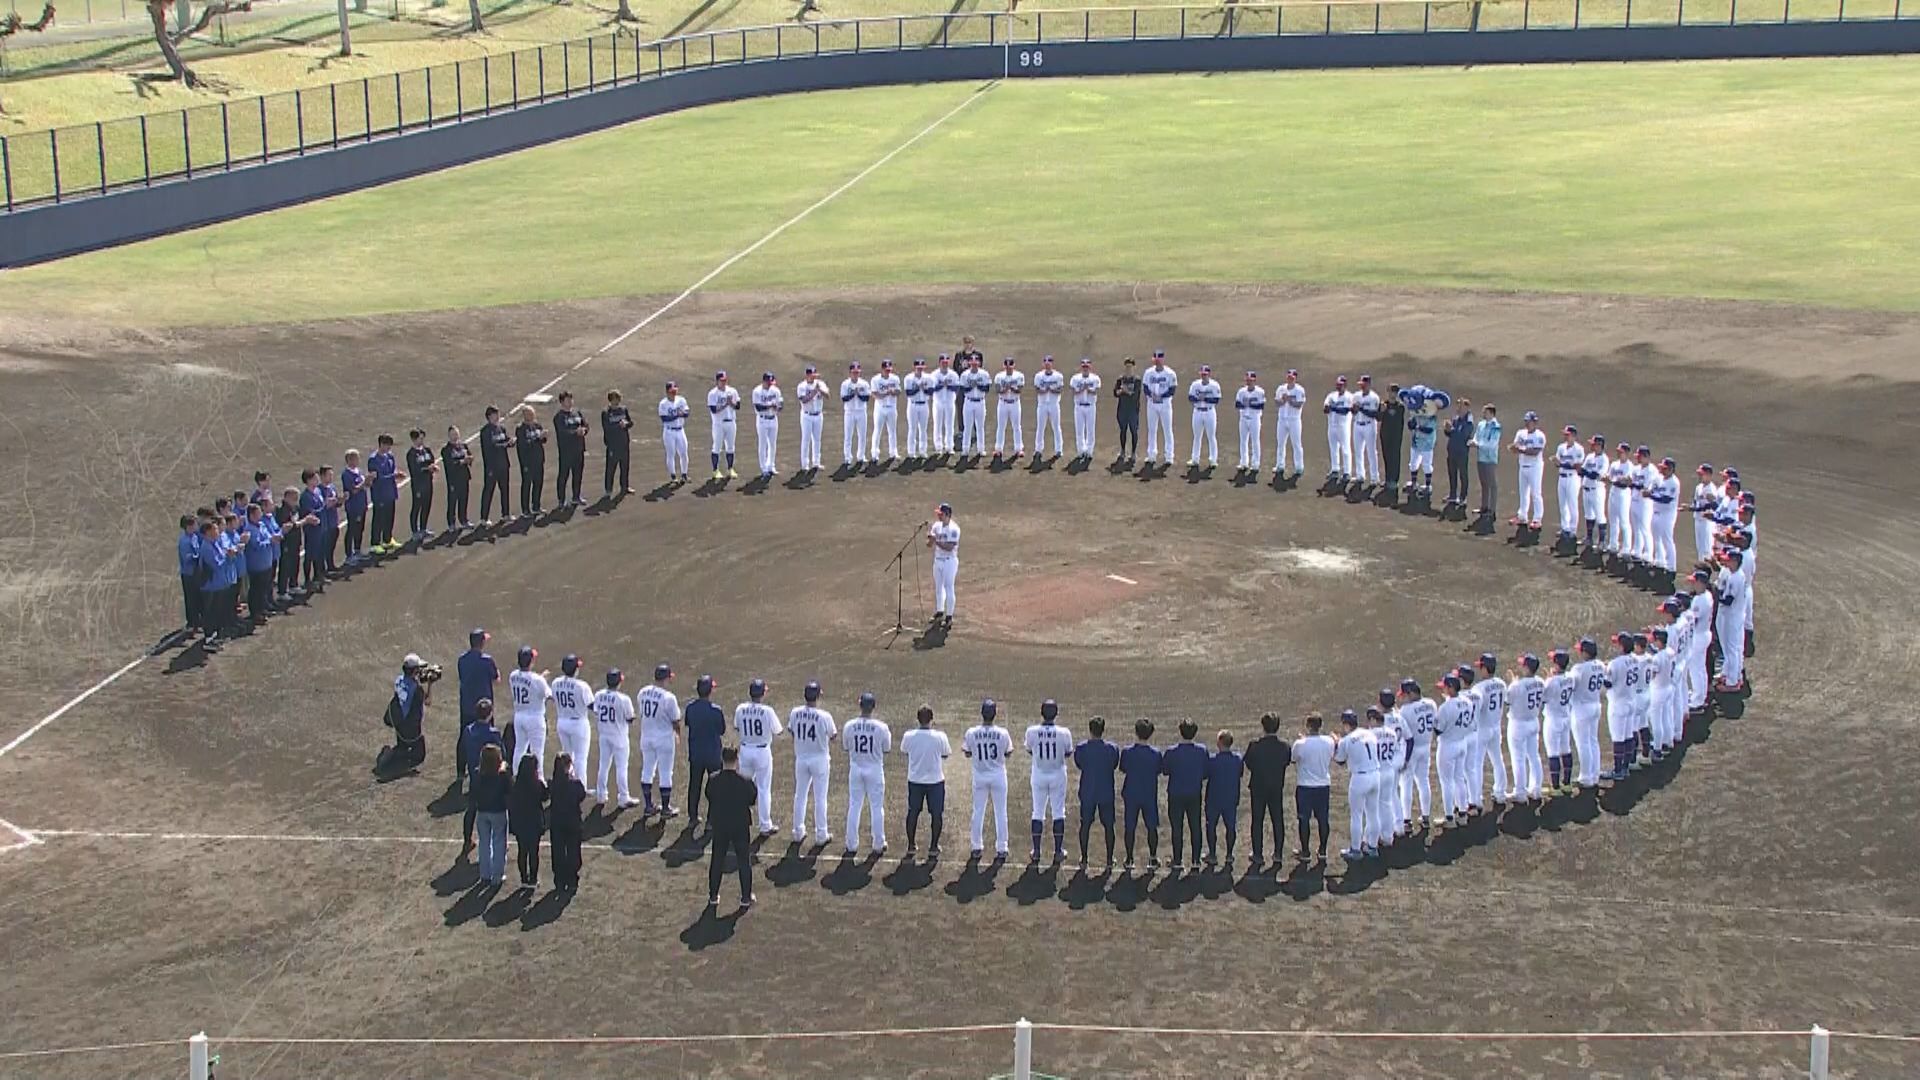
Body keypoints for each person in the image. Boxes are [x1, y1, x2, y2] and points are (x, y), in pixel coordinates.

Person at [704, 746, 758, 911]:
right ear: (737, 760)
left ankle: (713, 895)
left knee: (717, 859)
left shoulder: (713, 780)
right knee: (743, 861)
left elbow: (709, 796)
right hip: (740, 825)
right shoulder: (745, 781)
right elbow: (752, 799)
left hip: (720, 824)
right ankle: (745, 897)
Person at [962, 699, 1013, 859]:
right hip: (998, 776)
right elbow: (1008, 752)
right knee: (1001, 812)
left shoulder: (971, 732)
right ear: (995, 714)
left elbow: (967, 752)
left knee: (978, 811)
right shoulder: (1003, 733)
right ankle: (1002, 847)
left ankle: (976, 846)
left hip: (980, 776)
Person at [842, 691, 891, 855]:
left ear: (859, 704)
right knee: (877, 807)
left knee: (854, 806)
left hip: (856, 768)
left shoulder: (849, 725)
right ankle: (878, 843)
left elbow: (846, 746)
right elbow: (887, 748)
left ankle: (851, 844)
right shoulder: (882, 727)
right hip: (875, 769)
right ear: (873, 707)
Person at [1023, 699, 1073, 863]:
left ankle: (1037, 851)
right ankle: (1058, 850)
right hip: (1058, 775)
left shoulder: (1031, 731)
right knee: (1059, 812)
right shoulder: (1064, 732)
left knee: (1037, 812)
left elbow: (1030, 749)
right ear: (1056, 714)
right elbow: (1068, 753)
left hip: (1039, 775)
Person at [788, 680, 837, 846]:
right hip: (819, 759)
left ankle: (797, 830)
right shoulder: (825, 716)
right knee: (820, 798)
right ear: (817, 696)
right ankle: (821, 834)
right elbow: (833, 735)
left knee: (800, 795)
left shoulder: (795, 712)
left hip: (801, 758)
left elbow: (792, 732)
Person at [734, 678, 783, 837]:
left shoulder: (740, 708)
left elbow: (736, 726)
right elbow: (778, 731)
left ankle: (739, 822)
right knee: (763, 789)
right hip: (762, 752)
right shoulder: (767, 711)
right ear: (762, 693)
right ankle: (764, 825)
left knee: (742, 788)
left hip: (745, 750)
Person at [1242, 714, 1290, 868]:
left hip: (1258, 787)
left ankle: (1258, 854)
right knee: (1277, 820)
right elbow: (1286, 761)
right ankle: (1278, 854)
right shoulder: (1284, 746)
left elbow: (1248, 763)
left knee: (1257, 820)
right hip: (1276, 787)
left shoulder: (1254, 746)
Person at [901, 704, 950, 857]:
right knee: (936, 814)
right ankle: (934, 846)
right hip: (935, 781)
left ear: (918, 719)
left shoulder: (909, 735)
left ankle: (911, 845)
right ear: (931, 719)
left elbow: (904, 750)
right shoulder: (940, 736)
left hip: (915, 780)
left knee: (913, 812)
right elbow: (946, 754)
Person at [1071, 716, 1120, 869]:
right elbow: (1114, 765)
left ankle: (1084, 858)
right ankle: (1109, 859)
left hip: (1088, 791)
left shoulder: (1081, 748)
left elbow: (1079, 764)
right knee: (1108, 826)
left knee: (1085, 824)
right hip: (1106, 792)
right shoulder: (1112, 748)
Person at [1333, 709, 1380, 861]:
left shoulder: (1346, 740)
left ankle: (1355, 849)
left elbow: (1339, 760)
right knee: (1373, 813)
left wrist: (1337, 743)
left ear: (1346, 724)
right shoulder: (1369, 733)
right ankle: (1372, 846)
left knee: (1357, 815)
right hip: (1375, 774)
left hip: (1359, 778)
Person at [1160, 721, 1207, 872]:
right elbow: (1206, 772)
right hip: (1194, 793)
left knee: (1177, 827)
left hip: (1176, 793)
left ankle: (1178, 859)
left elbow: (1165, 770)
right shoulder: (1202, 751)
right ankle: (1196, 859)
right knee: (1195, 826)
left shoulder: (1172, 751)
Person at [637, 663, 683, 818]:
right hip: (663, 739)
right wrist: (678, 735)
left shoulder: (642, 692)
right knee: (665, 773)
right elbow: (676, 720)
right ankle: (665, 809)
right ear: (665, 678)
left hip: (646, 737)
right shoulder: (668, 698)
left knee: (647, 770)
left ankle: (648, 806)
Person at [460, 701, 505, 852]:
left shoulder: (468, 731)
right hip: (492, 779)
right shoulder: (493, 733)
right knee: (493, 811)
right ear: (490, 714)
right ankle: (497, 844)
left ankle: (467, 840)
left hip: (475, 777)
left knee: (471, 809)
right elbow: (501, 754)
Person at [1118, 719, 1162, 870]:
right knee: (1151, 827)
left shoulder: (1127, 752)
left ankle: (1129, 858)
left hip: (1131, 792)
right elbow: (1158, 770)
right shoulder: (1155, 754)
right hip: (1149, 793)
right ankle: (1153, 857)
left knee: (1130, 826)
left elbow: (1123, 768)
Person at [684, 675, 726, 831]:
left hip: (696, 753)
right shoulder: (716, 710)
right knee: (715, 787)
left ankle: (692, 818)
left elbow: (688, 723)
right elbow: (721, 730)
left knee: (694, 785)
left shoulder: (690, 708)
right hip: (713, 754)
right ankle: (711, 820)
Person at [1292, 714, 1335, 861]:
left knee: (1304, 819)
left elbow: (1294, 759)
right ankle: (1322, 849)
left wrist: (1302, 740)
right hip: (1323, 786)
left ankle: (1305, 851)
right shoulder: (1329, 742)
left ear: (1308, 726)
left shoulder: (1300, 744)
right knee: (1323, 819)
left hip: (1305, 787)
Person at [592, 669, 638, 809]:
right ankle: (623, 797)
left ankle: (601, 795)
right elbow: (630, 719)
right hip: (619, 738)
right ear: (619, 681)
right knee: (621, 768)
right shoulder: (623, 699)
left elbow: (596, 711)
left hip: (604, 735)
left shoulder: (599, 695)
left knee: (603, 765)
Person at [1394, 681, 1437, 830]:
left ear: (1411, 693)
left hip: (1410, 750)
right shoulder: (1431, 703)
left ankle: (1406, 820)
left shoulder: (1405, 710)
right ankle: (1425, 816)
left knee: (1406, 784)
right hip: (1426, 747)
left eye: (1404, 695)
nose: (1403, 698)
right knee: (1423, 781)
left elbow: (1400, 728)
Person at [456, 627, 498, 778]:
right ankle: (489, 768)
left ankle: (461, 770)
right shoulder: (487, 660)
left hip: (466, 706)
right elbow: (496, 678)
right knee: (488, 738)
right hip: (484, 706)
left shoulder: (462, 659)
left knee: (464, 736)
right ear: (481, 643)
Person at [470, 743, 513, 887]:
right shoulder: (502, 776)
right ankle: (497, 876)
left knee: (484, 843)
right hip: (498, 812)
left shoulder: (477, 773)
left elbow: (473, 792)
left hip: (482, 812)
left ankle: (485, 874)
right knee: (499, 843)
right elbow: (509, 791)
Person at [380, 653, 432, 772]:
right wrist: (430, 684)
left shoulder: (399, 680)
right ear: (414, 671)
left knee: (403, 745)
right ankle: (394, 754)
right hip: (412, 730)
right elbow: (428, 701)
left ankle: (400, 749)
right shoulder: (417, 689)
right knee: (419, 756)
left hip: (399, 725)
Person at [194, 520, 241, 651]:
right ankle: (208, 639)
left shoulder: (215, 544)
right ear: (208, 532)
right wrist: (228, 556)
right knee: (210, 613)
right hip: (210, 586)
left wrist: (229, 554)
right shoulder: (207, 548)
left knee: (217, 612)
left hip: (218, 584)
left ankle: (215, 636)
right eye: (215, 529)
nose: (218, 531)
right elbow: (217, 565)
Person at [1506, 655, 1547, 803]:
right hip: (1534, 722)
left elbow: (1507, 701)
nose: (1521, 667)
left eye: (1523, 665)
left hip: (1518, 725)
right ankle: (1536, 789)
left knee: (1518, 759)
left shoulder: (1517, 686)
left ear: (1527, 668)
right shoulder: (1541, 682)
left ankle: (1520, 793)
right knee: (1534, 756)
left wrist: (1512, 683)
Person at [1471, 653, 1510, 809]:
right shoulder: (1501, 683)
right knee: (1497, 759)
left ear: (1486, 669)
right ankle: (1500, 793)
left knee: (1477, 764)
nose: (1480, 670)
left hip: (1482, 730)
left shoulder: (1478, 688)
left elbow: (1476, 710)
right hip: (1496, 727)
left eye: (1481, 667)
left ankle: (1477, 798)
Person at [507, 645, 552, 775]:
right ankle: (539, 780)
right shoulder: (538, 680)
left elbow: (528, 680)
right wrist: (543, 679)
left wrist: (540, 678)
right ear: (531, 661)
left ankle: (516, 776)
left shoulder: (513, 675)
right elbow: (548, 694)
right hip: (535, 719)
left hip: (519, 717)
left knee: (519, 749)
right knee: (537, 752)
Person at [1204, 730, 1243, 870]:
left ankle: (1213, 854)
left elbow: (1205, 774)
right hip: (1231, 798)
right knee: (1230, 827)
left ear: (1220, 742)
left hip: (1214, 798)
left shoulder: (1213, 760)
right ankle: (1229, 854)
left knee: (1211, 826)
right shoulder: (1237, 759)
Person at [549, 752, 588, 893]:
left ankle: (559, 880)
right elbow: (581, 795)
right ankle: (572, 879)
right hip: (573, 823)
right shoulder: (575, 785)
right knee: (573, 851)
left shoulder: (552, 784)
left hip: (557, 823)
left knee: (558, 851)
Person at [509, 754, 549, 889]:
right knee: (533, 852)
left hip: (520, 823)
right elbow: (545, 797)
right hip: (534, 823)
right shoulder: (537, 784)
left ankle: (524, 879)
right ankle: (532, 879)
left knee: (522, 851)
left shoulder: (515, 784)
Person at [551, 653, 594, 778]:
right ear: (575, 669)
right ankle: (580, 787)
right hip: (578, 724)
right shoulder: (582, 686)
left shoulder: (555, 683)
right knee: (580, 758)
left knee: (567, 756)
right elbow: (592, 706)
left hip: (562, 722)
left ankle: (567, 782)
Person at [1541, 649, 1576, 796]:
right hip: (1565, 717)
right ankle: (1567, 783)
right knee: (1566, 750)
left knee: (1553, 753)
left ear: (1556, 664)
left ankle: (1555, 787)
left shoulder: (1551, 682)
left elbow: (1543, 699)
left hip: (1553, 720)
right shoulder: (1571, 678)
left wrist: (1548, 679)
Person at [241, 503, 279, 626]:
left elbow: (268, 537)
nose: (260, 515)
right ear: (251, 515)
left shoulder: (262, 525)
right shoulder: (249, 530)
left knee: (263, 588)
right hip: (256, 565)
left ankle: (262, 610)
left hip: (266, 563)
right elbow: (257, 545)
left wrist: (271, 539)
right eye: (258, 513)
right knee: (256, 590)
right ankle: (255, 613)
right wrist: (270, 541)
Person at [273, 488, 312, 603]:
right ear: (287, 497)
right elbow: (288, 525)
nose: (296, 500)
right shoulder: (282, 510)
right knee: (285, 566)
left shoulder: (295, 508)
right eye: (294, 498)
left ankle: (293, 585)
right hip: (287, 542)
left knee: (295, 562)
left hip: (295, 540)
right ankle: (282, 591)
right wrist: (304, 521)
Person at [477, 405, 514, 526]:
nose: (497, 416)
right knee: (489, 490)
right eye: (495, 414)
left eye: (498, 414)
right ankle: (483, 518)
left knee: (505, 489)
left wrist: (511, 442)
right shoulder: (485, 431)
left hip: (503, 464)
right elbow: (491, 447)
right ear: (489, 416)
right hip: (492, 467)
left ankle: (506, 514)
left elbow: (506, 440)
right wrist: (506, 444)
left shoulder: (501, 428)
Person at [552, 391, 589, 507]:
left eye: (571, 400)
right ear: (562, 402)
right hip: (566, 452)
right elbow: (562, 432)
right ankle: (561, 500)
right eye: (568, 400)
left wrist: (584, 430)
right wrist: (575, 433)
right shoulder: (559, 417)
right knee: (563, 476)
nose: (570, 402)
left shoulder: (577, 413)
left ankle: (576, 496)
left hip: (579, 450)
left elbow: (586, 425)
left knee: (578, 474)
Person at [1141, 351, 1178, 468]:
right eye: (1156, 359)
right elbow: (1145, 387)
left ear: (1163, 359)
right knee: (1152, 429)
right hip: (1151, 404)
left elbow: (1172, 390)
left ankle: (1169, 456)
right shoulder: (1148, 373)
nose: (1157, 361)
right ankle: (1151, 455)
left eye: (1159, 358)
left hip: (1165, 404)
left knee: (1167, 429)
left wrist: (1161, 396)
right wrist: (1152, 396)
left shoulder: (1170, 373)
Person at [927, 502, 960, 630]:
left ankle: (949, 617)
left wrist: (936, 540)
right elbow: (929, 545)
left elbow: (949, 547)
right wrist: (930, 538)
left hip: (949, 561)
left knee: (949, 587)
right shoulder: (936, 526)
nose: (939, 516)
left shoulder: (954, 529)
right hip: (938, 561)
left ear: (948, 515)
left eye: (941, 514)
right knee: (938, 587)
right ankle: (940, 612)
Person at [368, 434, 400, 553]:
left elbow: (392, 470)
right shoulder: (373, 460)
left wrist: (396, 474)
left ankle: (387, 539)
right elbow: (377, 479)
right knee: (379, 519)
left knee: (389, 517)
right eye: (387, 446)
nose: (388, 449)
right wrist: (393, 476)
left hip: (390, 493)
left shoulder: (390, 456)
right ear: (381, 444)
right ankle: (375, 543)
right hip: (380, 494)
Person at [1272, 369, 1307, 480]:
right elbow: (1277, 402)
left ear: (1295, 378)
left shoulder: (1299, 390)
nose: (1290, 378)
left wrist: (1289, 401)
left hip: (1294, 420)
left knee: (1296, 444)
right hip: (1282, 420)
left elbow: (1299, 404)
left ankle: (1299, 467)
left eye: (1292, 377)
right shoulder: (1281, 389)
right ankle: (1280, 465)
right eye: (1288, 377)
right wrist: (1283, 400)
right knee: (1280, 443)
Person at [514, 405, 548, 517]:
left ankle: (536, 506)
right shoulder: (520, 429)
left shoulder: (537, 426)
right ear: (524, 416)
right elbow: (524, 445)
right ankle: (525, 509)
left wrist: (543, 436)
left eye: (533, 413)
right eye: (529, 414)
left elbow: (543, 441)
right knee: (527, 485)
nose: (532, 415)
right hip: (527, 462)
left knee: (538, 483)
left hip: (539, 460)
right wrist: (538, 438)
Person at [405, 429, 439, 541]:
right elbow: (414, 470)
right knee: (417, 507)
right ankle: (415, 531)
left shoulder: (427, 450)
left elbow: (432, 461)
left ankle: (423, 528)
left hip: (428, 483)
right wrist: (427, 469)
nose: (422, 440)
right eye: (420, 438)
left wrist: (433, 467)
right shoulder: (411, 454)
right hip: (418, 485)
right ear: (414, 439)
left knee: (426, 506)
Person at [1186, 365, 1222, 469]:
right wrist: (1199, 399)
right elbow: (1190, 397)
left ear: (1209, 374)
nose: (1203, 376)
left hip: (1209, 412)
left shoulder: (1214, 385)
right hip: (1197, 412)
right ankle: (1195, 459)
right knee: (1197, 436)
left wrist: (1204, 399)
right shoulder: (1195, 385)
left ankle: (1213, 460)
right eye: (1202, 374)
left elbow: (1216, 400)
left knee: (1211, 436)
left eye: (1205, 374)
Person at [1472, 404, 1503, 524]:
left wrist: (1478, 444)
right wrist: (1474, 442)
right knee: (1484, 483)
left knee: (1492, 484)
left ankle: (1492, 509)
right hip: (1481, 458)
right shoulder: (1481, 424)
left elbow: (1492, 444)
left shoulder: (1496, 427)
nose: (1483, 414)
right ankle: (1484, 507)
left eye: (1485, 412)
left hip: (1490, 459)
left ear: (1491, 413)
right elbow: (1476, 437)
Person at [708, 371, 742, 481]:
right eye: (721, 380)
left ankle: (730, 468)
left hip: (731, 422)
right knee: (717, 447)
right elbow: (714, 410)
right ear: (717, 381)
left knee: (731, 447)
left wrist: (731, 403)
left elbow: (738, 406)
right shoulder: (713, 394)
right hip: (719, 424)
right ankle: (715, 470)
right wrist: (725, 404)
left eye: (725, 380)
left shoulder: (732, 391)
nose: (724, 382)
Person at [1442, 396, 1474, 510]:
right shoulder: (1456, 419)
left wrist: (1452, 430)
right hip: (1452, 451)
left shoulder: (1469, 422)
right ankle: (1452, 495)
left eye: (1461, 406)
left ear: (1466, 408)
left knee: (1463, 475)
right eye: (1458, 406)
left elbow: (1463, 436)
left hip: (1462, 453)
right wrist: (1447, 430)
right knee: (1452, 474)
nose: (1458, 408)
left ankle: (1463, 497)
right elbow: (1451, 435)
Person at [992, 357, 1026, 462]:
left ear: (1013, 365)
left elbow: (1019, 390)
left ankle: (1019, 449)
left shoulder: (1019, 375)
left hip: (1015, 403)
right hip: (1003, 402)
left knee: (1016, 426)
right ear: (1004, 366)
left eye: (1010, 364)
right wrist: (1007, 388)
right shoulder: (999, 376)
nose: (1008, 366)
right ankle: (998, 449)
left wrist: (1009, 388)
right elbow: (998, 390)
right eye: (1006, 364)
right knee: (1001, 426)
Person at [751, 371, 784, 479]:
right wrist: (770, 405)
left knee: (773, 444)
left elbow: (781, 405)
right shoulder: (757, 391)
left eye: (771, 382)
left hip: (773, 419)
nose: (770, 384)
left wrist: (777, 407)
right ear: (764, 381)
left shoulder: (776, 391)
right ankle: (764, 468)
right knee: (763, 444)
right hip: (762, 420)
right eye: (768, 382)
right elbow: (758, 407)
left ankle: (771, 466)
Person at [1350, 374, 1381, 487]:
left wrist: (1361, 408)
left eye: (1364, 385)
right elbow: (1352, 411)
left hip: (1369, 426)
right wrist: (1353, 409)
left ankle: (1374, 477)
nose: (1361, 387)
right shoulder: (1356, 396)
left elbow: (1373, 414)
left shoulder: (1374, 398)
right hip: (1357, 425)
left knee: (1371, 451)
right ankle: (1360, 475)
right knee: (1358, 451)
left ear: (1368, 384)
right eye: (1361, 385)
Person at [1032, 355, 1066, 460]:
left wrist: (1050, 389)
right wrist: (1045, 390)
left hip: (1054, 404)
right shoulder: (1038, 376)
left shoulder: (1058, 376)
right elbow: (1037, 389)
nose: (1047, 363)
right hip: (1042, 404)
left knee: (1056, 427)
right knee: (1040, 427)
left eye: (1049, 361)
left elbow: (1060, 389)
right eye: (1045, 361)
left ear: (1052, 363)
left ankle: (1059, 449)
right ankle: (1038, 449)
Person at [958, 354, 991, 460]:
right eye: (972, 360)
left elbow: (986, 388)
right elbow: (963, 389)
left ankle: (981, 449)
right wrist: (972, 385)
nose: (974, 362)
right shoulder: (964, 375)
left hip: (980, 402)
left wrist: (977, 385)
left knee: (980, 427)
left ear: (979, 363)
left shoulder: (984, 374)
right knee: (967, 427)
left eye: (976, 360)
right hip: (968, 402)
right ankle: (965, 449)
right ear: (969, 363)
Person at [602, 389, 635, 496]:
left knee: (625, 466)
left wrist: (626, 424)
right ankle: (608, 490)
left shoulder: (623, 410)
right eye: (615, 400)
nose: (617, 402)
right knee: (611, 468)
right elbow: (607, 427)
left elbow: (631, 422)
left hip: (624, 443)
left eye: (618, 399)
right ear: (611, 400)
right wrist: (619, 426)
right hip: (612, 444)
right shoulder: (606, 413)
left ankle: (625, 487)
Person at [796, 365, 829, 472]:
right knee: (806, 439)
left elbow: (828, 396)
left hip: (818, 415)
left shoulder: (820, 384)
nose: (814, 378)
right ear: (807, 375)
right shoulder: (802, 386)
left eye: (815, 375)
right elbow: (804, 400)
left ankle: (816, 462)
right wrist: (815, 391)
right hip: (807, 415)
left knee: (817, 439)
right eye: (811, 375)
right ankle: (805, 464)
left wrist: (821, 390)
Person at [659, 381, 692, 485]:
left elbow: (686, 413)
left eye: (675, 391)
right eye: (671, 391)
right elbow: (664, 418)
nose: (673, 393)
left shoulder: (681, 400)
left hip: (680, 430)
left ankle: (684, 475)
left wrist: (681, 414)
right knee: (671, 454)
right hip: (669, 431)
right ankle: (673, 476)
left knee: (684, 453)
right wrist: (678, 415)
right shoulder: (663, 404)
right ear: (667, 392)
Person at [1322, 375, 1353, 484]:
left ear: (1345, 385)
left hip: (1343, 426)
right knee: (1333, 448)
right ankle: (1335, 469)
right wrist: (1329, 408)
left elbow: (1345, 410)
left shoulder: (1349, 397)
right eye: (1337, 385)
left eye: (1340, 385)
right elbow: (1325, 408)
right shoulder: (1331, 396)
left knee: (1345, 449)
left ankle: (1347, 472)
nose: (1338, 387)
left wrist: (1333, 408)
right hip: (1332, 425)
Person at [441, 425, 473, 530]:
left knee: (464, 499)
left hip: (464, 477)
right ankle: (451, 523)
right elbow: (450, 464)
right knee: (452, 501)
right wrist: (462, 461)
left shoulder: (463, 446)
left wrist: (470, 459)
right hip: (453, 480)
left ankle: (464, 519)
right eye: (453, 435)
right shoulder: (446, 450)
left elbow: (469, 455)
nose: (455, 437)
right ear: (449, 436)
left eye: (456, 434)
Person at [840, 362, 871, 469]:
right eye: (854, 372)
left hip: (861, 412)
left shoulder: (864, 384)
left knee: (862, 435)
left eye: (857, 372)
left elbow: (866, 398)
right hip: (849, 412)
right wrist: (853, 393)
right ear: (850, 373)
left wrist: (858, 393)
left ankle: (861, 456)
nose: (855, 374)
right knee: (848, 436)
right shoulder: (845, 384)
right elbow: (844, 399)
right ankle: (848, 457)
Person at [870, 359, 901, 465]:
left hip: (892, 408)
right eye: (886, 370)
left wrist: (893, 392)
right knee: (877, 430)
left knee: (892, 431)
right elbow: (874, 394)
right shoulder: (875, 380)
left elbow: (899, 391)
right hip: (880, 408)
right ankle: (874, 453)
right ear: (882, 369)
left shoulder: (895, 379)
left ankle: (893, 452)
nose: (888, 372)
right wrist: (885, 393)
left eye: (889, 370)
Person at [1069, 358, 1101, 463]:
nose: (1085, 367)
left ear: (1090, 367)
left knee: (1090, 430)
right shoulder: (1075, 378)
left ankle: (1089, 451)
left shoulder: (1095, 378)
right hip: (1079, 406)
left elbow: (1095, 391)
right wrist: (1083, 388)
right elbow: (1074, 391)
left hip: (1091, 406)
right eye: (1083, 366)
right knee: (1079, 430)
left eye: (1087, 365)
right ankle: (1080, 451)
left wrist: (1088, 389)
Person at [340, 449, 369, 564]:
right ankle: (349, 555)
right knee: (352, 529)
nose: (358, 460)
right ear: (350, 460)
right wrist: (365, 482)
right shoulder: (346, 474)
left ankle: (357, 550)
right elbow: (354, 490)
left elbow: (363, 486)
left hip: (361, 505)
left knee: (360, 529)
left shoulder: (359, 471)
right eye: (356, 458)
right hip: (353, 507)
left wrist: (368, 482)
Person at [902, 358, 934, 461]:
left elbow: (930, 392)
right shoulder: (908, 378)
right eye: (918, 368)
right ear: (914, 367)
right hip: (913, 405)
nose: (920, 369)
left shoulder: (929, 378)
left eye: (921, 368)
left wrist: (923, 388)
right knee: (912, 428)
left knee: (923, 429)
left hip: (924, 405)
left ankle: (922, 451)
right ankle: (911, 452)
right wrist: (918, 387)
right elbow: (908, 393)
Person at [1112, 357, 1141, 465]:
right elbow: (1115, 393)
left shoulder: (1137, 380)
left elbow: (1135, 395)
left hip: (1133, 410)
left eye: (1130, 367)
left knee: (1134, 431)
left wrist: (1125, 391)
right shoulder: (1120, 379)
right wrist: (1121, 391)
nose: (1128, 369)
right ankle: (1123, 451)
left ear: (1134, 367)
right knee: (1123, 430)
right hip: (1122, 409)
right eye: (1127, 367)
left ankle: (1133, 453)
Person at [932, 354, 961, 457]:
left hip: (949, 402)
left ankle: (949, 447)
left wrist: (948, 385)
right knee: (938, 425)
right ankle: (938, 447)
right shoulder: (934, 374)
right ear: (939, 362)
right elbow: (932, 389)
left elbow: (957, 388)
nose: (945, 364)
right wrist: (941, 385)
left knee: (949, 425)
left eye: (946, 362)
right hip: (938, 403)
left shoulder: (953, 375)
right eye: (943, 362)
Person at [1380, 383, 1406, 493]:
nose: (1393, 394)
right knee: (1386, 457)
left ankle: (1394, 481)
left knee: (1395, 458)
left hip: (1395, 436)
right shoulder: (1383, 405)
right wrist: (1381, 410)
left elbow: (1399, 423)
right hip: (1385, 435)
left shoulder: (1400, 407)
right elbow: (1378, 418)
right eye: (1391, 391)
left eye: (1395, 392)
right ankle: (1387, 479)